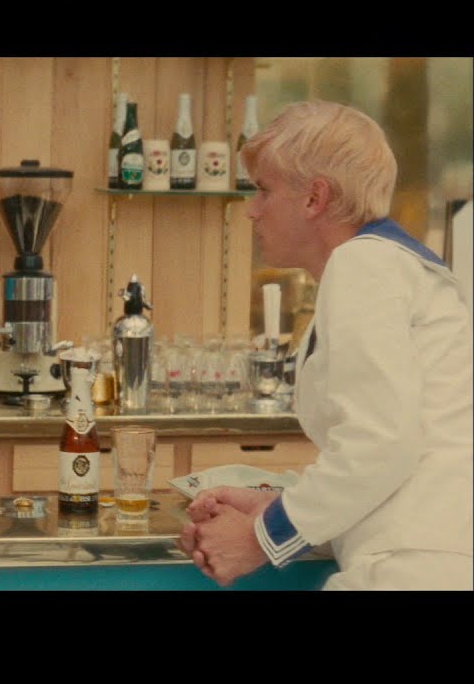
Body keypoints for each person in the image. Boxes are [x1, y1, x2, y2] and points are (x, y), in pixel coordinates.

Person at [178, 101, 473, 590]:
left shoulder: (364, 265)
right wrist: (276, 506)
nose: (252, 209)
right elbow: (398, 453)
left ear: (315, 198)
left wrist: (259, 537)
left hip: (412, 570)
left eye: (264, 190)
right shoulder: (388, 266)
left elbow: (380, 443)